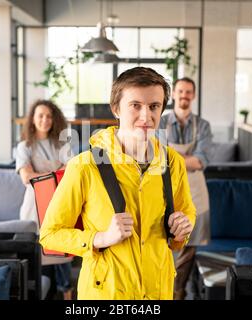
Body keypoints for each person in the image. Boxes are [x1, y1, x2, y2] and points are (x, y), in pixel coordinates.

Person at [39, 67, 196, 300]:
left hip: (159, 292)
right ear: (116, 109)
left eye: (154, 106)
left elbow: (185, 216)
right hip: (105, 294)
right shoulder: (85, 165)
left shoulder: (173, 163)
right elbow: (49, 234)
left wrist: (183, 227)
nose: (146, 116)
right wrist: (100, 238)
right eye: (135, 105)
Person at [159, 77, 213, 300]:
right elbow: (155, 156)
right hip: (165, 190)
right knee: (165, 243)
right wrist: (184, 158)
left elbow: (201, 161)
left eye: (188, 92)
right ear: (173, 94)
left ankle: (178, 292)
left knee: (190, 247)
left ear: (194, 96)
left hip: (196, 192)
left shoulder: (203, 126)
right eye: (180, 91)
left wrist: (169, 155)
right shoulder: (160, 122)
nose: (184, 95)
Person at [16, 99, 74, 300]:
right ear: (32, 119)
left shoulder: (63, 145)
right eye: (40, 115)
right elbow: (26, 177)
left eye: (49, 116)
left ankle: (68, 295)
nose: (45, 120)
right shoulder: (24, 147)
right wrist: (56, 174)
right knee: (35, 256)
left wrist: (39, 175)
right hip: (33, 208)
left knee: (62, 257)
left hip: (59, 204)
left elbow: (72, 174)